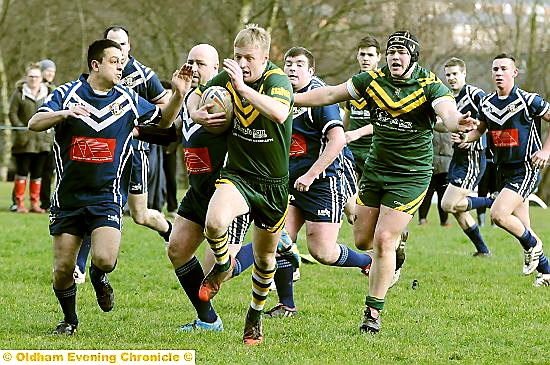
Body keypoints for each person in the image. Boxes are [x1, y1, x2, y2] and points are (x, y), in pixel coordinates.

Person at [293, 31, 477, 333]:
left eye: (402, 52)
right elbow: (329, 94)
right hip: (377, 170)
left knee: (382, 241)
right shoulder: (372, 81)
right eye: (391, 51)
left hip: (411, 175)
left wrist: (458, 122)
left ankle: (373, 312)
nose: (395, 56)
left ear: (413, 57)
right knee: (363, 240)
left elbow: (448, 113)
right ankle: (397, 245)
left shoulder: (429, 84)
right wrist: (289, 98)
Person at [28, 39, 192, 335]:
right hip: (68, 199)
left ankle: (98, 275)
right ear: (95, 64)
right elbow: (34, 122)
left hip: (106, 197)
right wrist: (64, 114)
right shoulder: (66, 94)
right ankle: (69, 320)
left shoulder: (127, 99)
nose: (121, 65)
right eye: (115, 61)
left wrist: (178, 95)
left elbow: (165, 123)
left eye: (122, 61)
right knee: (63, 270)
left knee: (105, 259)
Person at [187, 24, 293, 345]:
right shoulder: (231, 77)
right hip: (239, 175)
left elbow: (278, 112)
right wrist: (198, 115)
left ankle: (254, 316)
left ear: (264, 57)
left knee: (265, 260)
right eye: (237, 56)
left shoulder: (277, 80)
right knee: (215, 221)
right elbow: (197, 91)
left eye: (249, 58)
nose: (242, 63)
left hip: (274, 185)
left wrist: (242, 88)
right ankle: (223, 264)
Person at [263, 46, 373, 318]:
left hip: (324, 179)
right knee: (279, 239)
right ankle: (287, 305)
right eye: (288, 63)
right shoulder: (279, 96)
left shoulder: (320, 98)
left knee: (322, 251)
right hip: (292, 180)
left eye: (299, 64)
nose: (292, 68)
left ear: (310, 71)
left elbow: (337, 141)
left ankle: (370, 261)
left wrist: (310, 175)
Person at [74, 25, 173, 284]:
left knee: (140, 215)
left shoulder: (143, 75)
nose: (119, 49)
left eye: (123, 44)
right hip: (105, 154)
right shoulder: (96, 72)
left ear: (130, 46)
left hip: (135, 152)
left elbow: (164, 109)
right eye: (112, 43)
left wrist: (137, 129)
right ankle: (80, 267)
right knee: (95, 205)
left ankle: (169, 233)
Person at [166, 43, 252, 332]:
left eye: (201, 63)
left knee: (214, 273)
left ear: (215, 69)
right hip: (197, 191)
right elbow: (166, 127)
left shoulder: (228, 98)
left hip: (225, 194)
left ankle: (271, 248)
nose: (193, 67)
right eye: (190, 61)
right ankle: (208, 320)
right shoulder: (186, 97)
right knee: (177, 250)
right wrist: (179, 95)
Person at [455, 54, 550, 286]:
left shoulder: (529, 100)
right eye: (495, 69)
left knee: (498, 215)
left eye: (504, 69)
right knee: (524, 228)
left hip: (526, 168)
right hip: (503, 170)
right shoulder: (486, 103)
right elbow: (482, 129)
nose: (498, 73)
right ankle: (547, 271)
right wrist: (467, 137)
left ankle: (534, 246)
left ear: (514, 73)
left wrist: (546, 151)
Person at [439, 57, 492, 255]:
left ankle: (490, 201)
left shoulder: (476, 94)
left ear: (464, 74)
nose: (451, 78)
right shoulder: (448, 99)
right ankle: (483, 250)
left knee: (447, 204)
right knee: (458, 211)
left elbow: (488, 122)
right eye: (448, 75)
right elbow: (444, 125)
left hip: (473, 156)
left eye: (455, 74)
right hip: (457, 156)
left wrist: (467, 134)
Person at [341, 35, 381, 223]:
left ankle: (392, 240)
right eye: (362, 54)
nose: (366, 58)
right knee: (348, 200)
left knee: (373, 204)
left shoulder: (384, 84)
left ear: (378, 57)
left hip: (375, 151)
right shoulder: (354, 83)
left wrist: (356, 133)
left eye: (370, 55)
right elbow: (348, 114)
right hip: (352, 150)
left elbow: (384, 122)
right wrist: (339, 133)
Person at [8, 62, 52, 213]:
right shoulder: (19, 93)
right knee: (22, 172)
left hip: (42, 142)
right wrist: (21, 130)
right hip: (24, 142)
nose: (34, 79)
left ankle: (35, 203)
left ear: (41, 78)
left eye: (36, 76)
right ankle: (19, 203)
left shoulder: (49, 93)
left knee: (38, 173)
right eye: (31, 76)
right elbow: (12, 113)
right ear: (26, 77)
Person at [418, 130, 452, 226]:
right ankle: (422, 219)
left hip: (446, 166)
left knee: (443, 195)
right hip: (430, 166)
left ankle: (444, 220)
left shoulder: (449, 128)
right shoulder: (430, 127)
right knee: (427, 194)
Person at [38, 59, 57, 212]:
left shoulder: (55, 90)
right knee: (30, 171)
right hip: (36, 137)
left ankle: (45, 202)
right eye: (48, 70)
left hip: (50, 138)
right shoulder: (35, 88)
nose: (50, 74)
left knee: (47, 172)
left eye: (53, 71)